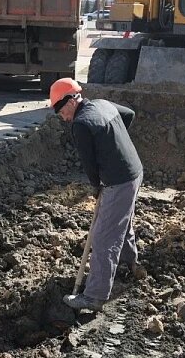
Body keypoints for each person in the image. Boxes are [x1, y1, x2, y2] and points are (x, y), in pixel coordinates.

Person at [49, 78, 144, 311]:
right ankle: (128, 263)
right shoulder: (102, 104)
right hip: (135, 172)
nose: (63, 117)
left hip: (118, 181)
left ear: (70, 101)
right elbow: (129, 114)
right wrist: (114, 143)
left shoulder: (81, 124)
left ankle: (94, 296)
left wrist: (96, 185)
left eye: (61, 111)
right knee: (121, 222)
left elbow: (89, 164)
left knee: (104, 237)